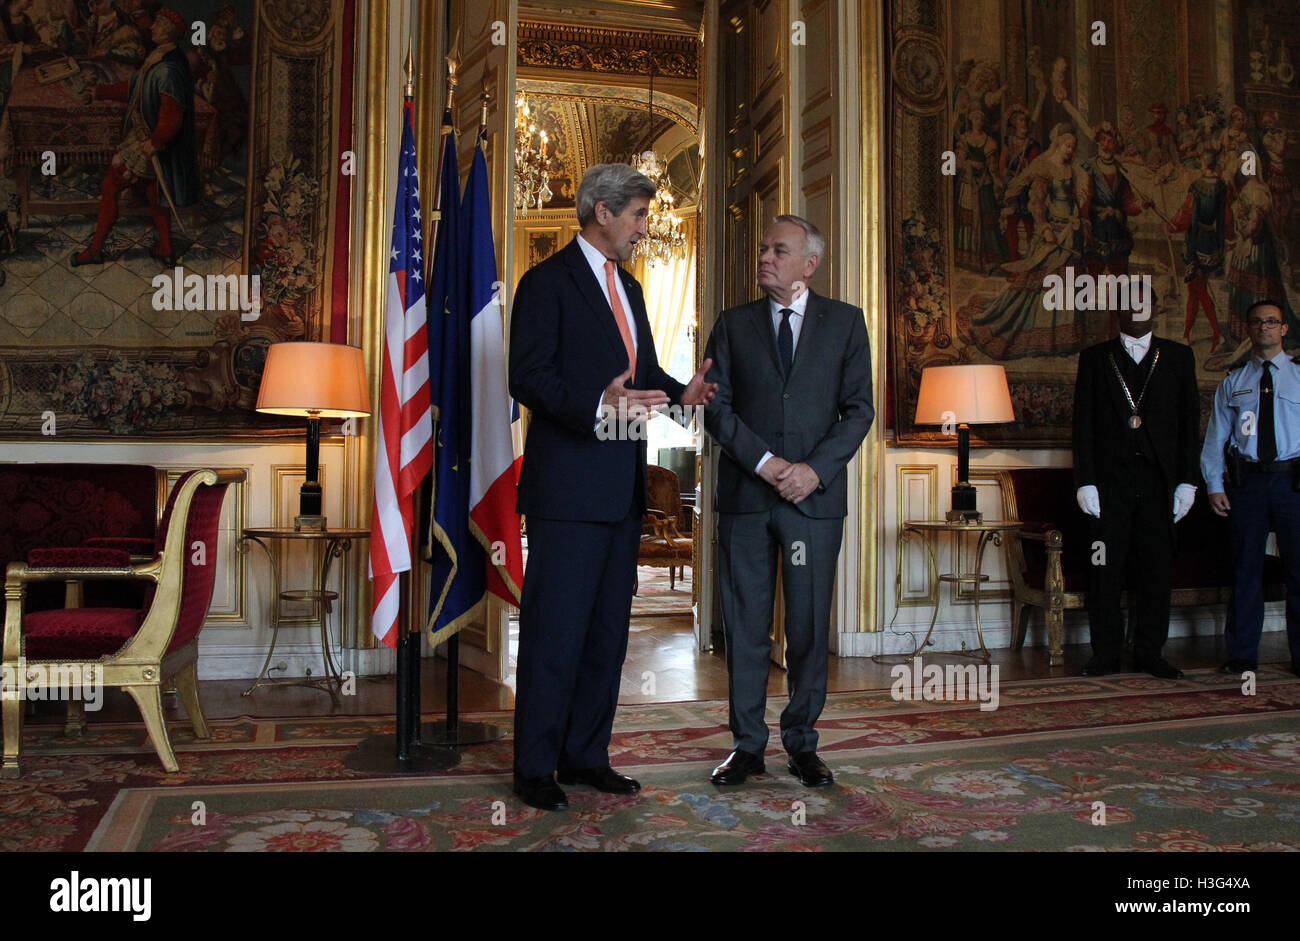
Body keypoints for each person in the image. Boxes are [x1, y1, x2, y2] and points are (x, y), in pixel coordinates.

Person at [508, 163, 718, 812]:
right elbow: (527, 375)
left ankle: (586, 755)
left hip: (621, 488)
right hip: (566, 489)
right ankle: (535, 767)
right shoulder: (545, 283)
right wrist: (595, 405)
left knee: (605, 634)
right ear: (602, 211)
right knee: (554, 633)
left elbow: (642, 370)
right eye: (638, 216)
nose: (643, 229)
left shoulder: (629, 288)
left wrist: (683, 394)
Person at [702, 214, 874, 787]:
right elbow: (716, 410)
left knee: (806, 627)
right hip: (748, 501)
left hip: (813, 504)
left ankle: (802, 742)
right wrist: (767, 464)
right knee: (746, 626)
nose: (765, 258)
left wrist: (813, 472)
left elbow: (859, 411)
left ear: (810, 264)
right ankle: (747, 745)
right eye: (762, 248)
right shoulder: (731, 325)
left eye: (779, 250)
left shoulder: (847, 325)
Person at [1073, 302, 1201, 678]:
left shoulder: (1179, 356)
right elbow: (1083, 423)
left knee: (1157, 571)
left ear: (1156, 310)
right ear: (1118, 313)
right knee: (1104, 569)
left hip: (1160, 484)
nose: (1135, 311)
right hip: (1109, 485)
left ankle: (1150, 653)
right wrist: (1085, 481)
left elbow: (1189, 421)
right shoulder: (1095, 358)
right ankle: (1105, 654)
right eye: (1128, 305)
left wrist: (1188, 481)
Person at [1201, 300, 1300, 678]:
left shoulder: (1299, 376)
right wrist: (1213, 485)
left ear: (1284, 329)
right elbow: (1215, 439)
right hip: (1249, 483)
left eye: (1272, 322)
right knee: (1246, 571)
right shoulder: (1235, 380)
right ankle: (1242, 655)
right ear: (1249, 329)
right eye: (1257, 322)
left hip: (1293, 481)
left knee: (1299, 572)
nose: (1265, 328)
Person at [71, 7, 198, 269]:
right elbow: (135, 87)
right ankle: (165, 249)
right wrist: (100, 91)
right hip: (153, 141)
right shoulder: (160, 57)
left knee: (110, 186)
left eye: (158, 25)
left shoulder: (168, 69)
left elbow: (173, 117)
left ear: (169, 32)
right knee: (154, 194)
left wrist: (153, 142)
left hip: (151, 143)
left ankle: (95, 251)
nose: (151, 28)